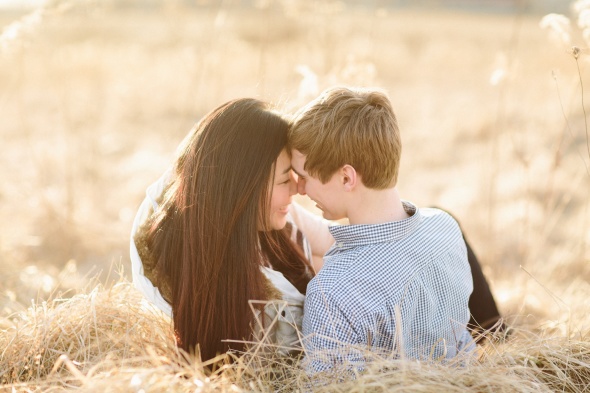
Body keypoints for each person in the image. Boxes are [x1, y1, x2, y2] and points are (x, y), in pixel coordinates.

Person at [288, 86, 477, 373]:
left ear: (346, 177)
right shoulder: (445, 227)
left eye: (304, 176)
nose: (299, 189)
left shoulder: (333, 292)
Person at [129, 98, 326, 363]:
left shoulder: (264, 215)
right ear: (243, 190)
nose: (297, 189)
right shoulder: (200, 278)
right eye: (284, 179)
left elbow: (337, 241)